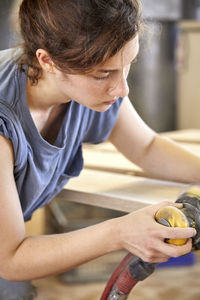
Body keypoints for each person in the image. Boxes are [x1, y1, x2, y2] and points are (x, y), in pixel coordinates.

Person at [0, 0, 199, 299]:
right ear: (47, 61)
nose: (122, 89)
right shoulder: (5, 119)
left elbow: (146, 147)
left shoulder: (82, 75)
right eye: (102, 74)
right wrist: (120, 232)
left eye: (127, 64)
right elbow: (11, 258)